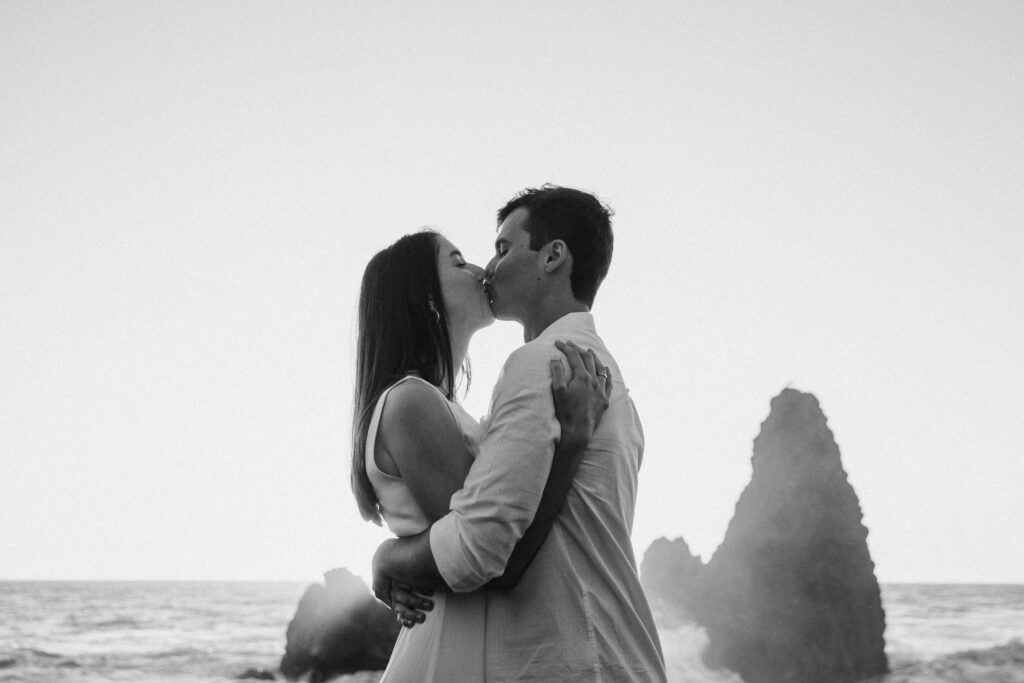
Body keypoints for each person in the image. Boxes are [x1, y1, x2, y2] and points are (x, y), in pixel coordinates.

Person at [372, 186, 667, 682]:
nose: (489, 268)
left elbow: (481, 550)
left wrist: (387, 557)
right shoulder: (608, 379)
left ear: (553, 257)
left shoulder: (542, 364)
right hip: (609, 654)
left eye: (504, 249)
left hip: (574, 660)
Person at [352, 229, 613, 680]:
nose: (480, 270)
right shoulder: (412, 401)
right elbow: (493, 559)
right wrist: (573, 440)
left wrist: (390, 556)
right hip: (444, 656)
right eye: (458, 262)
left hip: (467, 646)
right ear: (426, 298)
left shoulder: (437, 405)